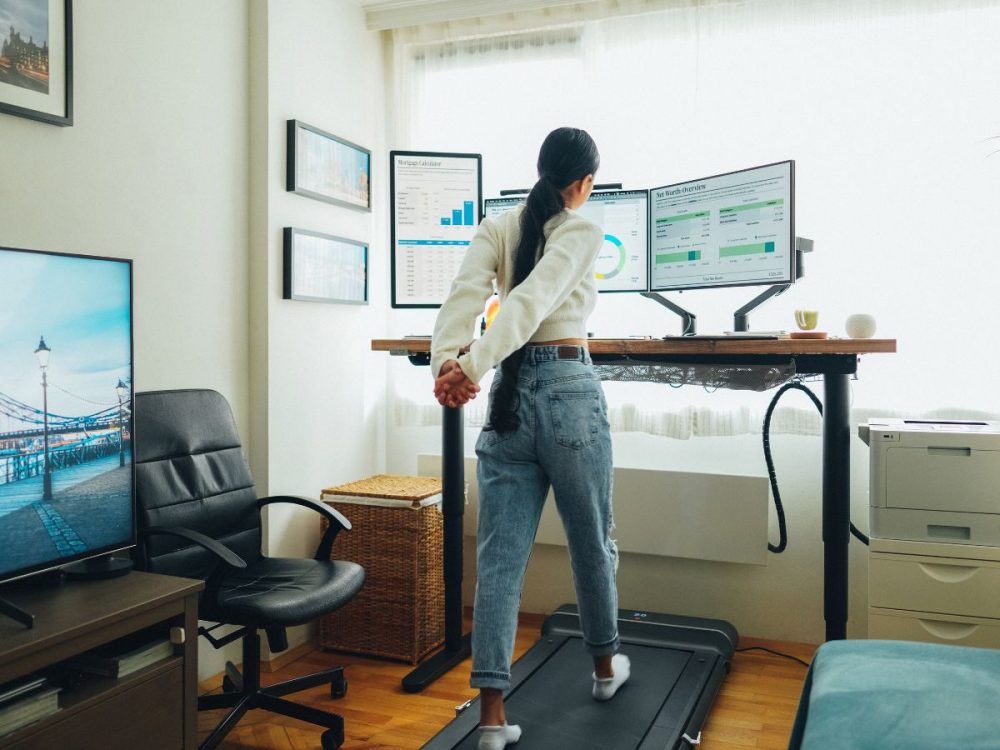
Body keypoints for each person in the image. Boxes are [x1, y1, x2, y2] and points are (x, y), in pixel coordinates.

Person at [431, 127, 629, 750]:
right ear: (584, 183)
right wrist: (465, 367)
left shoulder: (498, 227)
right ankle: (604, 670)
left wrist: (452, 361)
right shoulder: (582, 228)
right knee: (591, 541)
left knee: (498, 559)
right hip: (567, 392)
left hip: (509, 399)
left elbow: (469, 298)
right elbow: (535, 304)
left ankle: (491, 718)